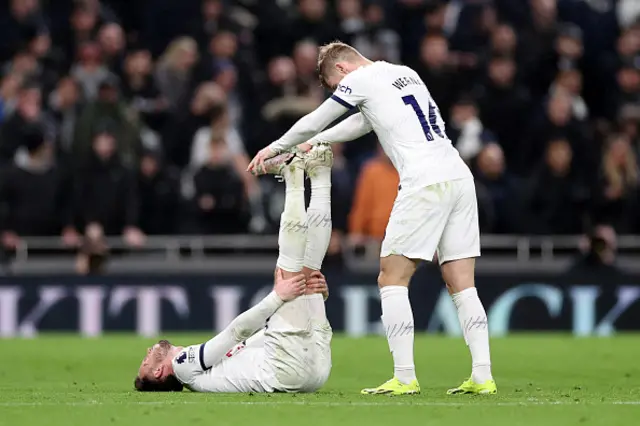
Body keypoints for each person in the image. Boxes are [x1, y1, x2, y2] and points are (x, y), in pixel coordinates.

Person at [248, 41, 496, 396]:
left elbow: (318, 117)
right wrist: (313, 143)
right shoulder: (403, 73)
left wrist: (277, 147)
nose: (340, 93)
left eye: (335, 87)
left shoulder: (358, 79)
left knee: (391, 277)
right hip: (458, 175)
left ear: (341, 71)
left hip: (424, 182)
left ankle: (405, 377)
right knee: (461, 281)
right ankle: (483, 375)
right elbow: (364, 122)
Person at [134, 145, 334, 393]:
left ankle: (320, 172)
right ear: (158, 372)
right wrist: (277, 297)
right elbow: (235, 331)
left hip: (312, 373)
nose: (148, 351)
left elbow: (256, 338)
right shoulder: (182, 367)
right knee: (288, 273)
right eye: (146, 361)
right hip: (287, 369)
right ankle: (294, 174)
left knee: (307, 274)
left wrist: (306, 301)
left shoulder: (206, 371)